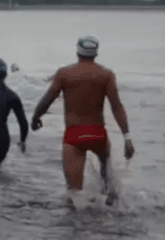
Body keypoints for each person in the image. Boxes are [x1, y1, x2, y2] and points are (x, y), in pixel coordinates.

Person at [30, 36, 134, 193]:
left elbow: (47, 99)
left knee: (74, 194)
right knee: (108, 186)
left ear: (77, 52)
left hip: (74, 135)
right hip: (98, 134)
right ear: (96, 53)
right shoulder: (106, 75)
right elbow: (117, 107)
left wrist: (36, 117)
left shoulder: (64, 74)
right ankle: (110, 205)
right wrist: (126, 137)